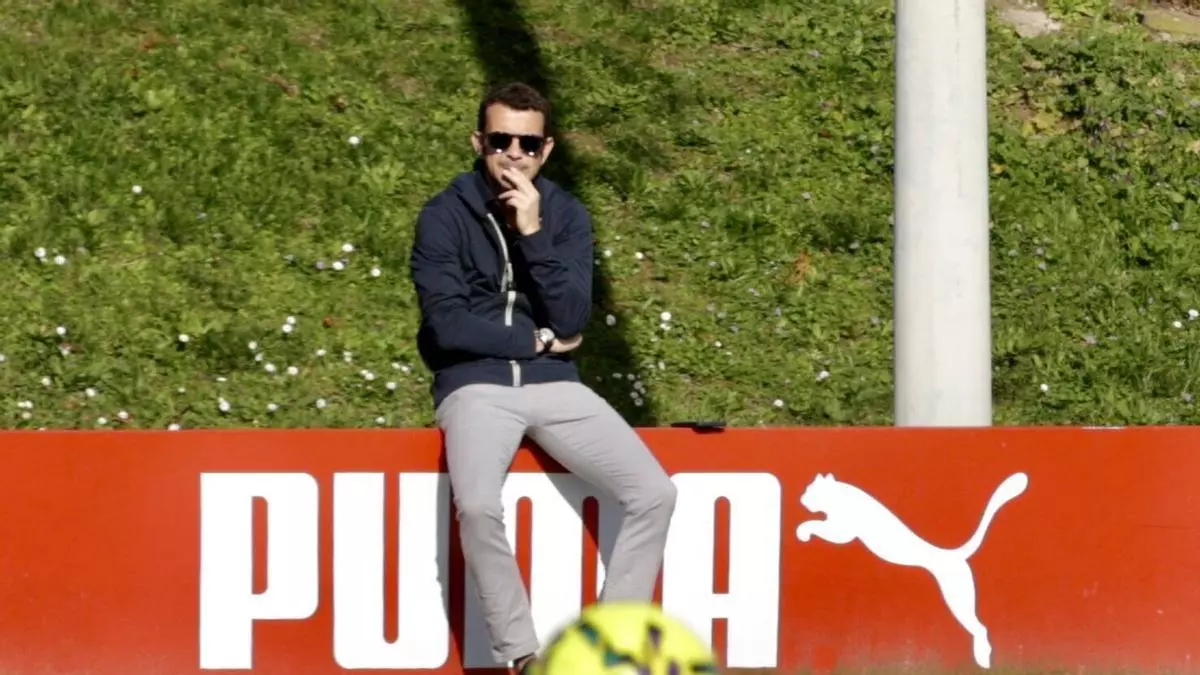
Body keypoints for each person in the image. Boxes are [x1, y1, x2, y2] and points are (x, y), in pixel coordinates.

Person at [408, 82, 679, 674]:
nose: (514, 154)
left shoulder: (566, 214)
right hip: (474, 385)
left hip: (555, 385)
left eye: (528, 144)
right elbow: (448, 325)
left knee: (655, 493)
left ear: (546, 149)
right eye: (500, 140)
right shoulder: (443, 215)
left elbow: (573, 315)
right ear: (478, 142)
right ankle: (522, 655)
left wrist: (532, 232)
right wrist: (535, 340)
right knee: (478, 505)